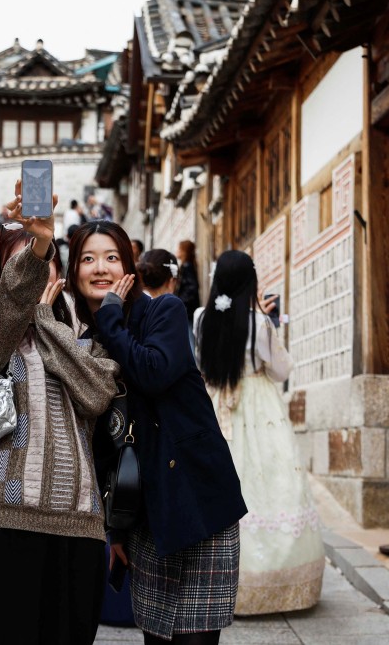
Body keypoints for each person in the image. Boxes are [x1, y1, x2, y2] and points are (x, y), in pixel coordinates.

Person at [68, 221, 247, 645]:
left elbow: (153, 372)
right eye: (88, 258)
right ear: (74, 270)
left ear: (129, 267)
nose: (100, 268)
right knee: (157, 641)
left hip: (199, 505)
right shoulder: (83, 344)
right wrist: (117, 531)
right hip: (146, 517)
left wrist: (111, 316)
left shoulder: (163, 311)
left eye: (112, 258)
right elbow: (102, 445)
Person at [0, 183, 120, 645]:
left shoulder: (92, 336)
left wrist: (49, 322)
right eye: (18, 258)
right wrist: (39, 246)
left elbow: (96, 393)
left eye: (42, 259)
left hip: (79, 524)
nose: (29, 269)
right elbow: (12, 302)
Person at [196, 250, 324, 615]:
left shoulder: (202, 317)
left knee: (223, 483)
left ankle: (218, 581)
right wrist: (266, 321)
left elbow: (201, 360)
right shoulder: (260, 323)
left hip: (216, 403)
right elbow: (281, 370)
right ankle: (275, 580)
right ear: (250, 281)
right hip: (258, 404)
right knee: (269, 482)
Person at [175, 240, 201, 323]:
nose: (177, 251)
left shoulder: (187, 266)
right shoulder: (186, 265)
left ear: (184, 252)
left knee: (188, 333)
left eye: (179, 249)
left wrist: (180, 301)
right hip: (188, 309)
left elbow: (192, 287)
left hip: (188, 310)